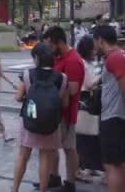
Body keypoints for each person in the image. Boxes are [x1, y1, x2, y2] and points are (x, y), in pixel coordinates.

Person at [12, 43, 69, 192]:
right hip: (50, 124)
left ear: (36, 59)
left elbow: (18, 97)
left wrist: (27, 94)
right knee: (45, 158)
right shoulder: (62, 78)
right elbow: (65, 103)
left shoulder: (27, 74)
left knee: (23, 156)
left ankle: (14, 189)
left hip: (29, 121)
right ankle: (43, 190)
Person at [41, 26, 85, 191]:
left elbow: (72, 90)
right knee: (52, 146)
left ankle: (70, 182)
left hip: (66, 113)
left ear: (59, 43)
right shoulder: (59, 57)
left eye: (50, 46)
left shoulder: (73, 60)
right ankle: (54, 177)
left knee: (68, 148)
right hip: (56, 111)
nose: (49, 50)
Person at [93, 26, 125, 192]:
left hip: (113, 117)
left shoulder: (114, 57)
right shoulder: (117, 56)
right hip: (116, 116)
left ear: (100, 40)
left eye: (94, 40)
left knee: (112, 165)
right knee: (118, 163)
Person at [75, 35, 103, 182]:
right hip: (85, 99)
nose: (95, 51)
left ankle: (89, 166)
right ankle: (80, 168)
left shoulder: (88, 62)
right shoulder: (84, 64)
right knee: (84, 135)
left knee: (88, 136)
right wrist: (101, 77)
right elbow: (90, 82)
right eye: (92, 48)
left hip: (87, 99)